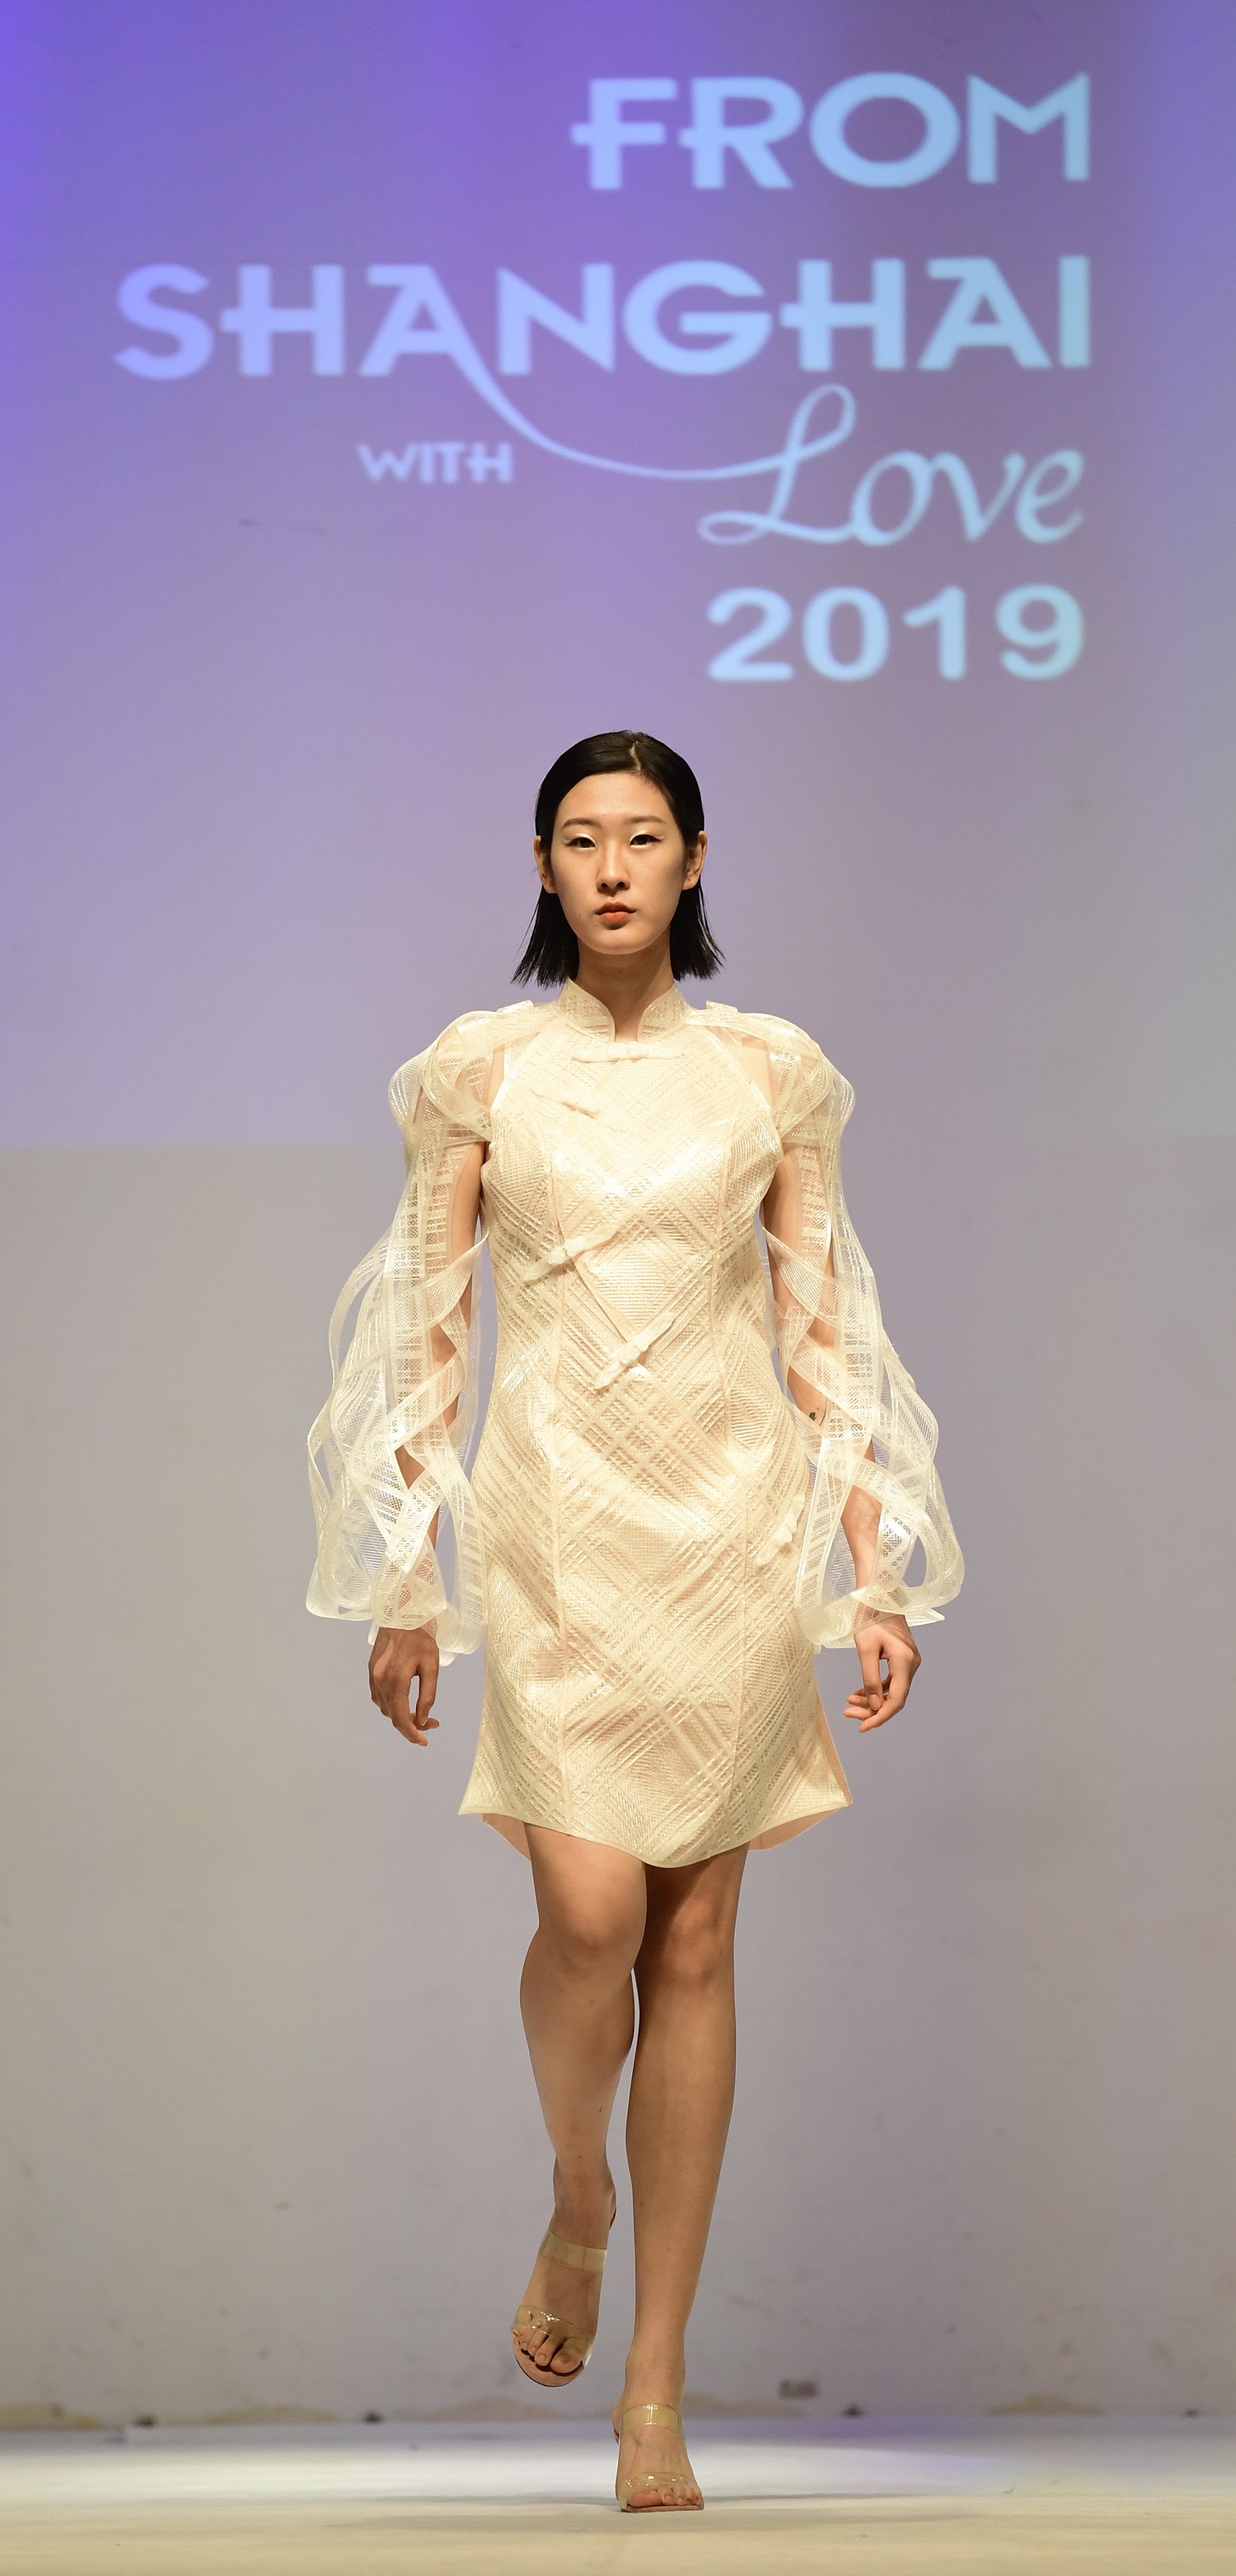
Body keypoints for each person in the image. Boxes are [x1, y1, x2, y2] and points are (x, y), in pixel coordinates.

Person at [307, 731, 962, 2510]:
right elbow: (423, 1331)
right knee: (589, 1915)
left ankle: (656, 2390)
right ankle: (576, 2191)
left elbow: (828, 1326)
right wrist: (404, 1575)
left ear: (693, 861)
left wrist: (874, 1571)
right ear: (542, 865)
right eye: (582, 839)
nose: (612, 868)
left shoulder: (771, 1071)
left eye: (644, 837)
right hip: (557, 1530)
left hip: (731, 1531)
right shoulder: (481, 1071)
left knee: (696, 1940)